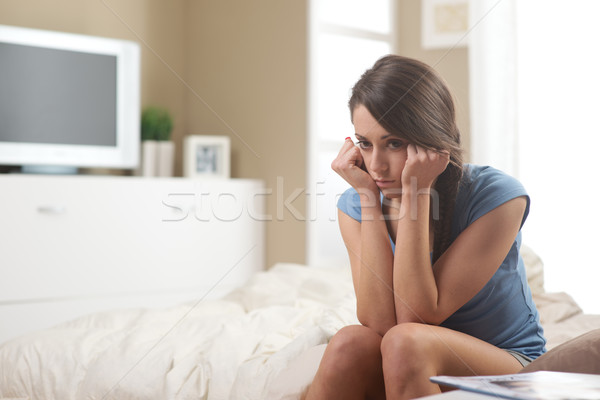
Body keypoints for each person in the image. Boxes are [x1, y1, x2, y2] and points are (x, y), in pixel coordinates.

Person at [305, 55, 546, 399]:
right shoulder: (358, 201)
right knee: (349, 342)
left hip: (508, 365)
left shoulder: (498, 196)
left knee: (407, 342)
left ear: (432, 140)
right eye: (365, 143)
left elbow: (416, 317)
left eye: (394, 143)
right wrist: (370, 201)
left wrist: (416, 194)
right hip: (410, 357)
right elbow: (379, 323)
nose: (376, 165)